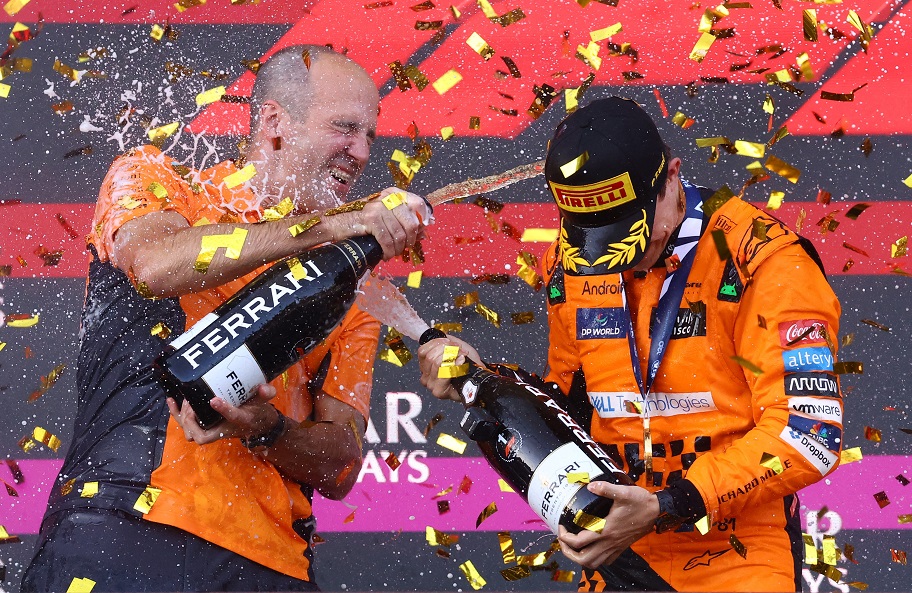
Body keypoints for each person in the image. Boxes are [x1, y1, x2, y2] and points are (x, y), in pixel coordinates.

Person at [22, 44, 430, 592]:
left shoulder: (352, 281)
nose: (359, 152)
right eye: (344, 128)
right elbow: (152, 265)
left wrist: (268, 428)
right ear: (274, 122)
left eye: (369, 137)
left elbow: (342, 464)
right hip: (126, 524)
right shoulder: (163, 181)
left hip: (273, 566)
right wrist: (327, 228)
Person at [418, 97, 843, 592]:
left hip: (738, 555)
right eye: (595, 238)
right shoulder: (570, 261)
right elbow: (570, 408)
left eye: (633, 234)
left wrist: (668, 505)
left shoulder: (762, 260)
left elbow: (810, 436)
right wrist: (480, 380)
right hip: (618, 549)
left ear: (672, 178)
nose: (617, 258)